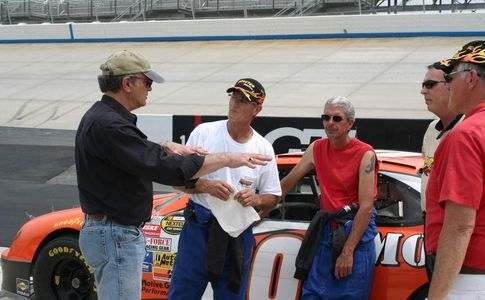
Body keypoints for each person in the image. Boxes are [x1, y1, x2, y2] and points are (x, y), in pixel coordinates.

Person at [75, 51, 272, 300]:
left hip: (114, 231)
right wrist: (226, 158)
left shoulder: (103, 118)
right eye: (147, 82)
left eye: (242, 100)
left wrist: (166, 146)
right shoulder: (110, 124)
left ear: (257, 108)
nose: (150, 89)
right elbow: (166, 169)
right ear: (127, 83)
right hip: (116, 233)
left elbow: (137, 155)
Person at [168, 78, 281, 299]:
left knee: (232, 295)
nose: (234, 103)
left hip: (237, 233)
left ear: (257, 109)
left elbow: (273, 196)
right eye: (233, 97)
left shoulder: (263, 147)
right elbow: (177, 180)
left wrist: (256, 199)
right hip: (199, 227)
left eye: (242, 100)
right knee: (182, 294)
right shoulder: (204, 133)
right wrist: (205, 186)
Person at [280, 96, 378, 299]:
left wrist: (348, 251)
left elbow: (366, 207)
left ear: (350, 123)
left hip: (354, 235)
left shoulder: (365, 154)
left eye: (337, 118)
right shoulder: (316, 148)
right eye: (326, 117)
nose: (330, 123)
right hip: (325, 232)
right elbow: (286, 184)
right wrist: (259, 208)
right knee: (312, 294)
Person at [425, 40, 485, 299]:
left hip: (471, 280)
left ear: (471, 78)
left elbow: (460, 226)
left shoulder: (466, 134)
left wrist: (436, 296)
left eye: (450, 77)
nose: (447, 85)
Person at [420, 65, 463, 214]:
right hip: (429, 221)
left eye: (430, 85)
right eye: (423, 85)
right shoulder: (432, 129)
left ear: (451, 86)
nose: (423, 91)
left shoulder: (468, 129)